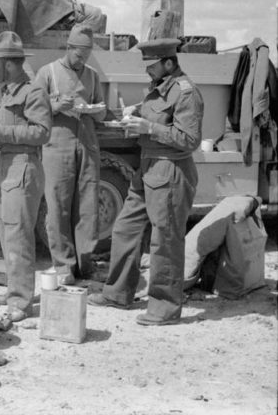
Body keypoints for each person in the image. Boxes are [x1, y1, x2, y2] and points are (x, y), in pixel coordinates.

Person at [88, 38, 204, 325]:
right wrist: (131, 121)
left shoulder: (186, 93)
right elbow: (150, 124)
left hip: (171, 171)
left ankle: (164, 308)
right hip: (148, 168)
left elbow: (189, 140)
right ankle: (117, 293)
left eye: (151, 66)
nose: (147, 72)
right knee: (125, 228)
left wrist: (148, 127)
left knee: (164, 242)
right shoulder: (157, 90)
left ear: (168, 62)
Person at [0, 32, 52, 322]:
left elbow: (42, 132)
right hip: (8, 166)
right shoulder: (6, 92)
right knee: (6, 233)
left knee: (18, 236)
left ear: (9, 64)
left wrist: (2, 133)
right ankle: (15, 290)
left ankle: (21, 301)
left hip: (24, 166)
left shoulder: (33, 91)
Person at [35, 24, 106, 284]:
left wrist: (95, 109)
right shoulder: (47, 72)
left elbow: (102, 111)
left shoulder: (93, 76)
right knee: (58, 207)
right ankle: (64, 266)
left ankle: (86, 265)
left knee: (88, 208)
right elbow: (33, 112)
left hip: (87, 144)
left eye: (87, 54)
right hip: (57, 146)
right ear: (68, 48)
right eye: (79, 54)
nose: (82, 60)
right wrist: (55, 105)